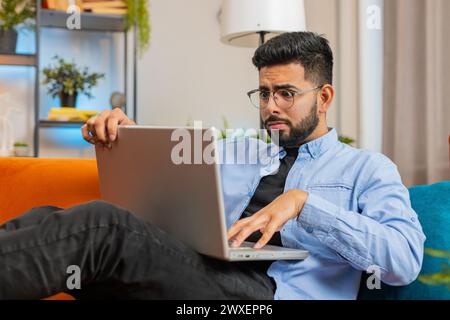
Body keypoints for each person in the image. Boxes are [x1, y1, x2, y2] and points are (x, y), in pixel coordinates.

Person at [0, 32, 425, 300]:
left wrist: (304, 204)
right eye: (262, 93)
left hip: (269, 293)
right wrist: (124, 131)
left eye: (286, 93)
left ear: (324, 97)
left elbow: (403, 261)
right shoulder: (236, 153)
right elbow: (164, 180)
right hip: (200, 275)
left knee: (103, 226)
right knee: (48, 217)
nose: (270, 107)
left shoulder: (368, 169)